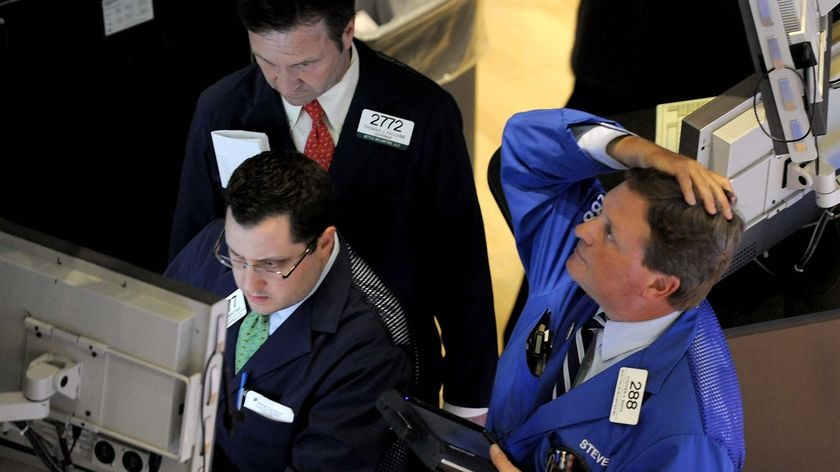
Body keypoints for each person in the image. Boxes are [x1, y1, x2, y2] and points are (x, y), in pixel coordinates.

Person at [168, 0, 497, 419]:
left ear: (346, 33)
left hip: (386, 365)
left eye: (305, 63)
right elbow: (191, 250)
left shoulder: (422, 113)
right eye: (266, 61)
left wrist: (469, 401)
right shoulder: (223, 108)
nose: (285, 83)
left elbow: (459, 265)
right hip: (262, 370)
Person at [484, 108, 745, 471]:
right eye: (600, 214)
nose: (583, 230)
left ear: (659, 284)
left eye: (609, 233)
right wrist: (642, 152)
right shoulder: (580, 270)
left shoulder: (689, 439)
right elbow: (526, 147)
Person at [165, 150, 412, 471]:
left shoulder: (370, 348)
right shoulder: (214, 245)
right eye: (237, 258)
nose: (248, 283)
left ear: (323, 245)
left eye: (271, 265)